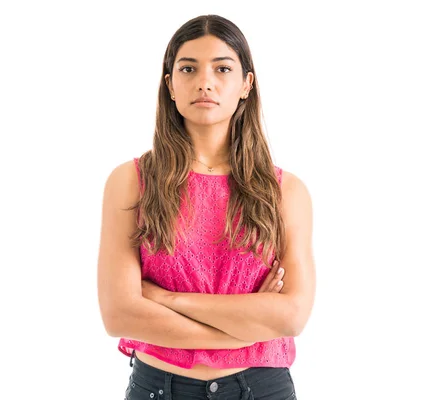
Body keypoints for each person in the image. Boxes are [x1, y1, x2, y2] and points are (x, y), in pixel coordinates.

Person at [97, 14, 315, 400]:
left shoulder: (284, 191)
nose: (205, 81)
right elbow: (120, 316)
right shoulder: (130, 181)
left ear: (246, 84)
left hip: (261, 389)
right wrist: (249, 324)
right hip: (160, 389)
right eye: (188, 68)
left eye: (222, 68)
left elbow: (291, 316)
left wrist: (167, 300)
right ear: (171, 85)